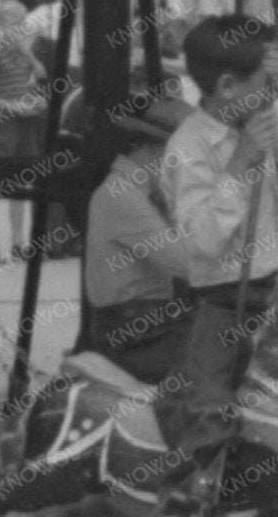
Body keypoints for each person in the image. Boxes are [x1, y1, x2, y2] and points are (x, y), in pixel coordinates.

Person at [156, 16, 278, 470]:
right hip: (229, 302)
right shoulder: (189, 147)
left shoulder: (271, 121)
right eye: (267, 82)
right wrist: (239, 166)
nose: (274, 93)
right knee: (211, 416)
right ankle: (202, 510)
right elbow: (203, 241)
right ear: (229, 87)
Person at [75, 86, 193, 381]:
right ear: (160, 151)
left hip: (152, 325)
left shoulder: (142, 193)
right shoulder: (122, 196)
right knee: (222, 359)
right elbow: (188, 264)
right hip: (134, 334)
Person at [0, 0, 49, 264]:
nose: (19, 30)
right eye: (13, 25)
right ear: (1, 27)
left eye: (22, 25)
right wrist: (10, 106)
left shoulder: (26, 57)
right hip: (3, 125)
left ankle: (19, 242)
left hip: (26, 124)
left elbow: (34, 83)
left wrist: (37, 99)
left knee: (21, 185)